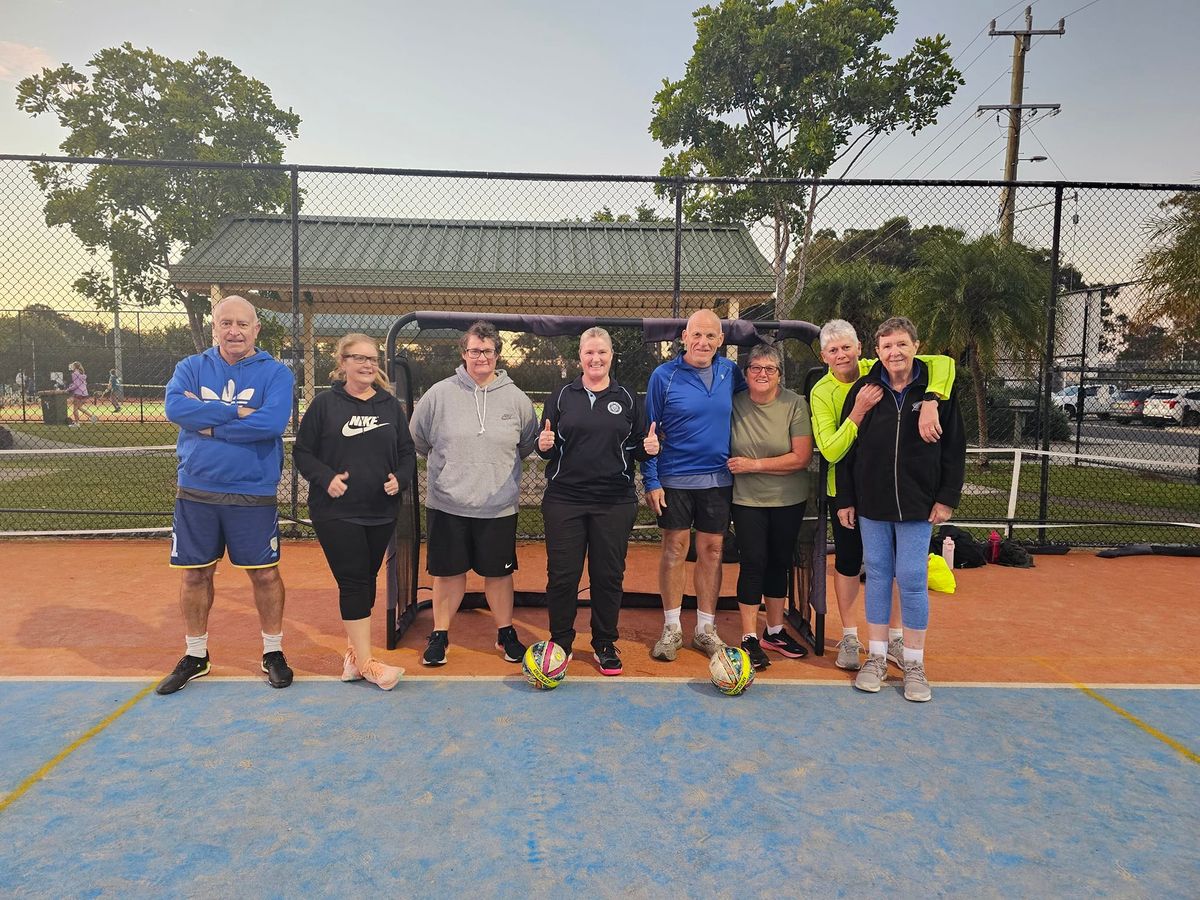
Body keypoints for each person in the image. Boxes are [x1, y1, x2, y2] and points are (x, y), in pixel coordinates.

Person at [156, 295, 295, 695]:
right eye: (226, 323)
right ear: (214, 327)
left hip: (252, 490)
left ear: (256, 329)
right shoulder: (191, 367)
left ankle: (273, 652)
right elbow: (176, 410)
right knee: (196, 573)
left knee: (265, 574)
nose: (234, 331)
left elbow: (270, 423)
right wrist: (238, 413)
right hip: (197, 488)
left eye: (242, 324)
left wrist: (211, 423)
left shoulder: (275, 374)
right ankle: (196, 654)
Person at [810, 319, 955, 671]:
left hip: (897, 495)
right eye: (833, 350)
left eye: (847, 347)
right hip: (847, 491)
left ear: (861, 349)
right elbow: (832, 452)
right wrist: (858, 410)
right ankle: (850, 636)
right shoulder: (824, 391)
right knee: (851, 563)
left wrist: (933, 399)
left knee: (896, 569)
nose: (841, 354)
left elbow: (945, 363)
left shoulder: (878, 369)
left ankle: (892, 640)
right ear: (824, 355)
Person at [410, 320, 539, 666]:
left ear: (498, 354)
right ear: (463, 353)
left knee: (499, 574)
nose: (480, 356)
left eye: (487, 350)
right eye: (473, 350)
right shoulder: (439, 394)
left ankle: (505, 633)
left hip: (497, 507)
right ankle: (440, 635)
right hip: (448, 503)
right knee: (448, 573)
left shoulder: (517, 399)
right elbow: (419, 440)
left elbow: (526, 444)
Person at [294, 334, 416, 691]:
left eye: (372, 359)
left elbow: (407, 452)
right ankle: (367, 663)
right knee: (353, 581)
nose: (367, 365)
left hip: (380, 511)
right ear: (342, 361)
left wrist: (401, 479)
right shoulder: (325, 404)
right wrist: (326, 477)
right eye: (358, 358)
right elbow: (302, 453)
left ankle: (353, 655)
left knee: (366, 579)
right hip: (336, 512)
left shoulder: (389, 406)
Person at [536, 327, 660, 676]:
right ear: (580, 357)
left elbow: (637, 446)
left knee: (608, 575)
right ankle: (561, 641)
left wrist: (649, 449)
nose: (596, 358)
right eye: (589, 353)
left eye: (602, 352)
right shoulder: (562, 395)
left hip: (614, 501)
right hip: (565, 499)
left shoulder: (627, 396)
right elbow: (549, 445)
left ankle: (604, 642)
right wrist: (542, 445)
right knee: (563, 576)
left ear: (611, 356)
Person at [643, 309, 747, 662]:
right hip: (674, 478)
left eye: (711, 336)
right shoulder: (664, 376)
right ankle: (672, 628)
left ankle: (705, 629)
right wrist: (653, 479)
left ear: (721, 341)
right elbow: (650, 435)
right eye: (697, 335)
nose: (703, 342)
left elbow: (757, 403)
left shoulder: (730, 372)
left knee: (713, 551)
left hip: (718, 479)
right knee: (674, 548)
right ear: (684, 338)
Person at [727, 343, 814, 669]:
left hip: (788, 499)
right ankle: (750, 637)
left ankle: (774, 631)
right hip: (747, 500)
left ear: (779, 374)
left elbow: (800, 457)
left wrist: (754, 465)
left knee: (779, 561)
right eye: (755, 368)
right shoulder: (734, 404)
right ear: (746, 373)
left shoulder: (795, 405)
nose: (762, 374)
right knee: (754, 561)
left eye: (770, 369)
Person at [66, 361, 93, 426]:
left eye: (73, 366)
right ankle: (92, 417)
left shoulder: (74, 374)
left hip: (78, 393)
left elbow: (76, 385)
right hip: (84, 393)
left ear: (75, 367)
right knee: (79, 407)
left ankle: (77, 423)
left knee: (75, 408)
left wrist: (68, 389)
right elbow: (82, 383)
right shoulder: (82, 374)